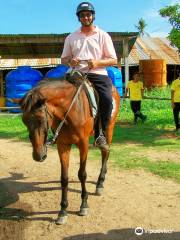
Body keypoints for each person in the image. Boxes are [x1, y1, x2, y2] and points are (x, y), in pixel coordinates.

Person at [61, 2, 117, 150]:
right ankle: (57, 131)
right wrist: (70, 61)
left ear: (93, 16)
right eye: (82, 15)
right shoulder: (71, 37)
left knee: (106, 99)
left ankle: (101, 134)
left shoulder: (103, 35)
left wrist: (97, 62)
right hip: (75, 74)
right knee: (56, 95)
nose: (86, 17)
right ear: (78, 18)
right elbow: (64, 59)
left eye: (88, 14)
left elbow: (113, 59)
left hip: (97, 74)